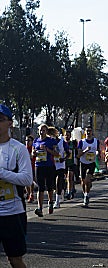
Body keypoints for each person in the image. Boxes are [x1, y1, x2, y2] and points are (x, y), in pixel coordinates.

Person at [0, 104, 33, 268]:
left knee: (15, 259)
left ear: (10, 123)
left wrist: (2, 173)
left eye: (0, 119)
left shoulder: (18, 149)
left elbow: (27, 179)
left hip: (12, 212)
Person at [32, 124, 58, 217]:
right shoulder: (36, 141)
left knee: (49, 186)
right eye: (40, 130)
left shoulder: (51, 141)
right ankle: (40, 208)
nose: (41, 132)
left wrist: (47, 150)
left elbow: (56, 153)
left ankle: (51, 202)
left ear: (46, 132)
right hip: (39, 165)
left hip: (49, 166)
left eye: (43, 130)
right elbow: (32, 153)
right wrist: (34, 153)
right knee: (41, 187)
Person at [77, 126, 100, 207]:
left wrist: (98, 155)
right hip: (83, 163)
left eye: (90, 131)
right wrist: (85, 150)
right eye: (87, 131)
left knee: (87, 180)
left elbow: (99, 151)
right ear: (85, 133)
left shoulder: (96, 141)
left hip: (91, 163)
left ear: (92, 132)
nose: (89, 132)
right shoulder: (81, 142)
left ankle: (87, 195)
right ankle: (85, 194)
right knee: (83, 181)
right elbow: (78, 155)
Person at [47, 127, 69, 209]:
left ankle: (57, 201)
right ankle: (60, 192)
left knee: (58, 181)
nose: (50, 136)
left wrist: (64, 158)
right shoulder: (48, 142)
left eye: (51, 134)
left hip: (60, 165)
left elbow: (68, 153)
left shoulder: (62, 142)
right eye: (49, 135)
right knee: (52, 184)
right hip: (51, 164)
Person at [64, 129, 78, 200]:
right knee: (67, 178)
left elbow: (77, 152)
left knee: (69, 177)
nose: (67, 136)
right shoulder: (62, 143)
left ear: (70, 136)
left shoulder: (73, 143)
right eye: (65, 135)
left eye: (68, 135)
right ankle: (72, 188)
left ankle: (69, 193)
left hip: (71, 163)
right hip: (64, 163)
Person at [25, 135, 35, 203]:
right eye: (26, 140)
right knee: (26, 182)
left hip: (33, 166)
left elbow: (33, 156)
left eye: (29, 140)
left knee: (31, 181)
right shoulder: (24, 148)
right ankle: (29, 194)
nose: (27, 142)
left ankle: (31, 194)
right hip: (25, 167)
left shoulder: (33, 148)